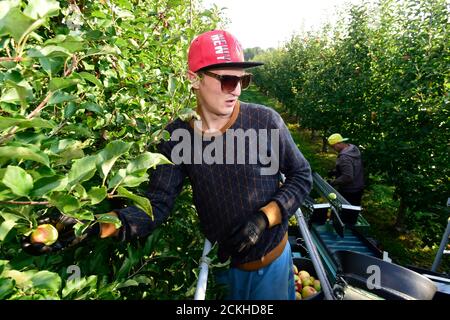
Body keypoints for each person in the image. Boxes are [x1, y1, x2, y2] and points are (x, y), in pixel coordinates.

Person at [22, 30, 313, 300]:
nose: (236, 90)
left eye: (242, 80)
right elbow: (157, 204)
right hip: (222, 265)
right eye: (227, 80)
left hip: (272, 261)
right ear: (194, 79)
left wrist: (264, 218)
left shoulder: (265, 123)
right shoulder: (177, 136)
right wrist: (94, 226)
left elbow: (301, 175)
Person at [327, 133, 364, 206]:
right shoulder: (353, 149)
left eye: (333, 147)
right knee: (354, 211)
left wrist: (333, 182)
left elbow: (347, 177)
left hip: (349, 191)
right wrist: (335, 171)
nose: (333, 149)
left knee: (346, 213)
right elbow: (353, 167)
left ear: (338, 143)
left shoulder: (344, 157)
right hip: (358, 186)